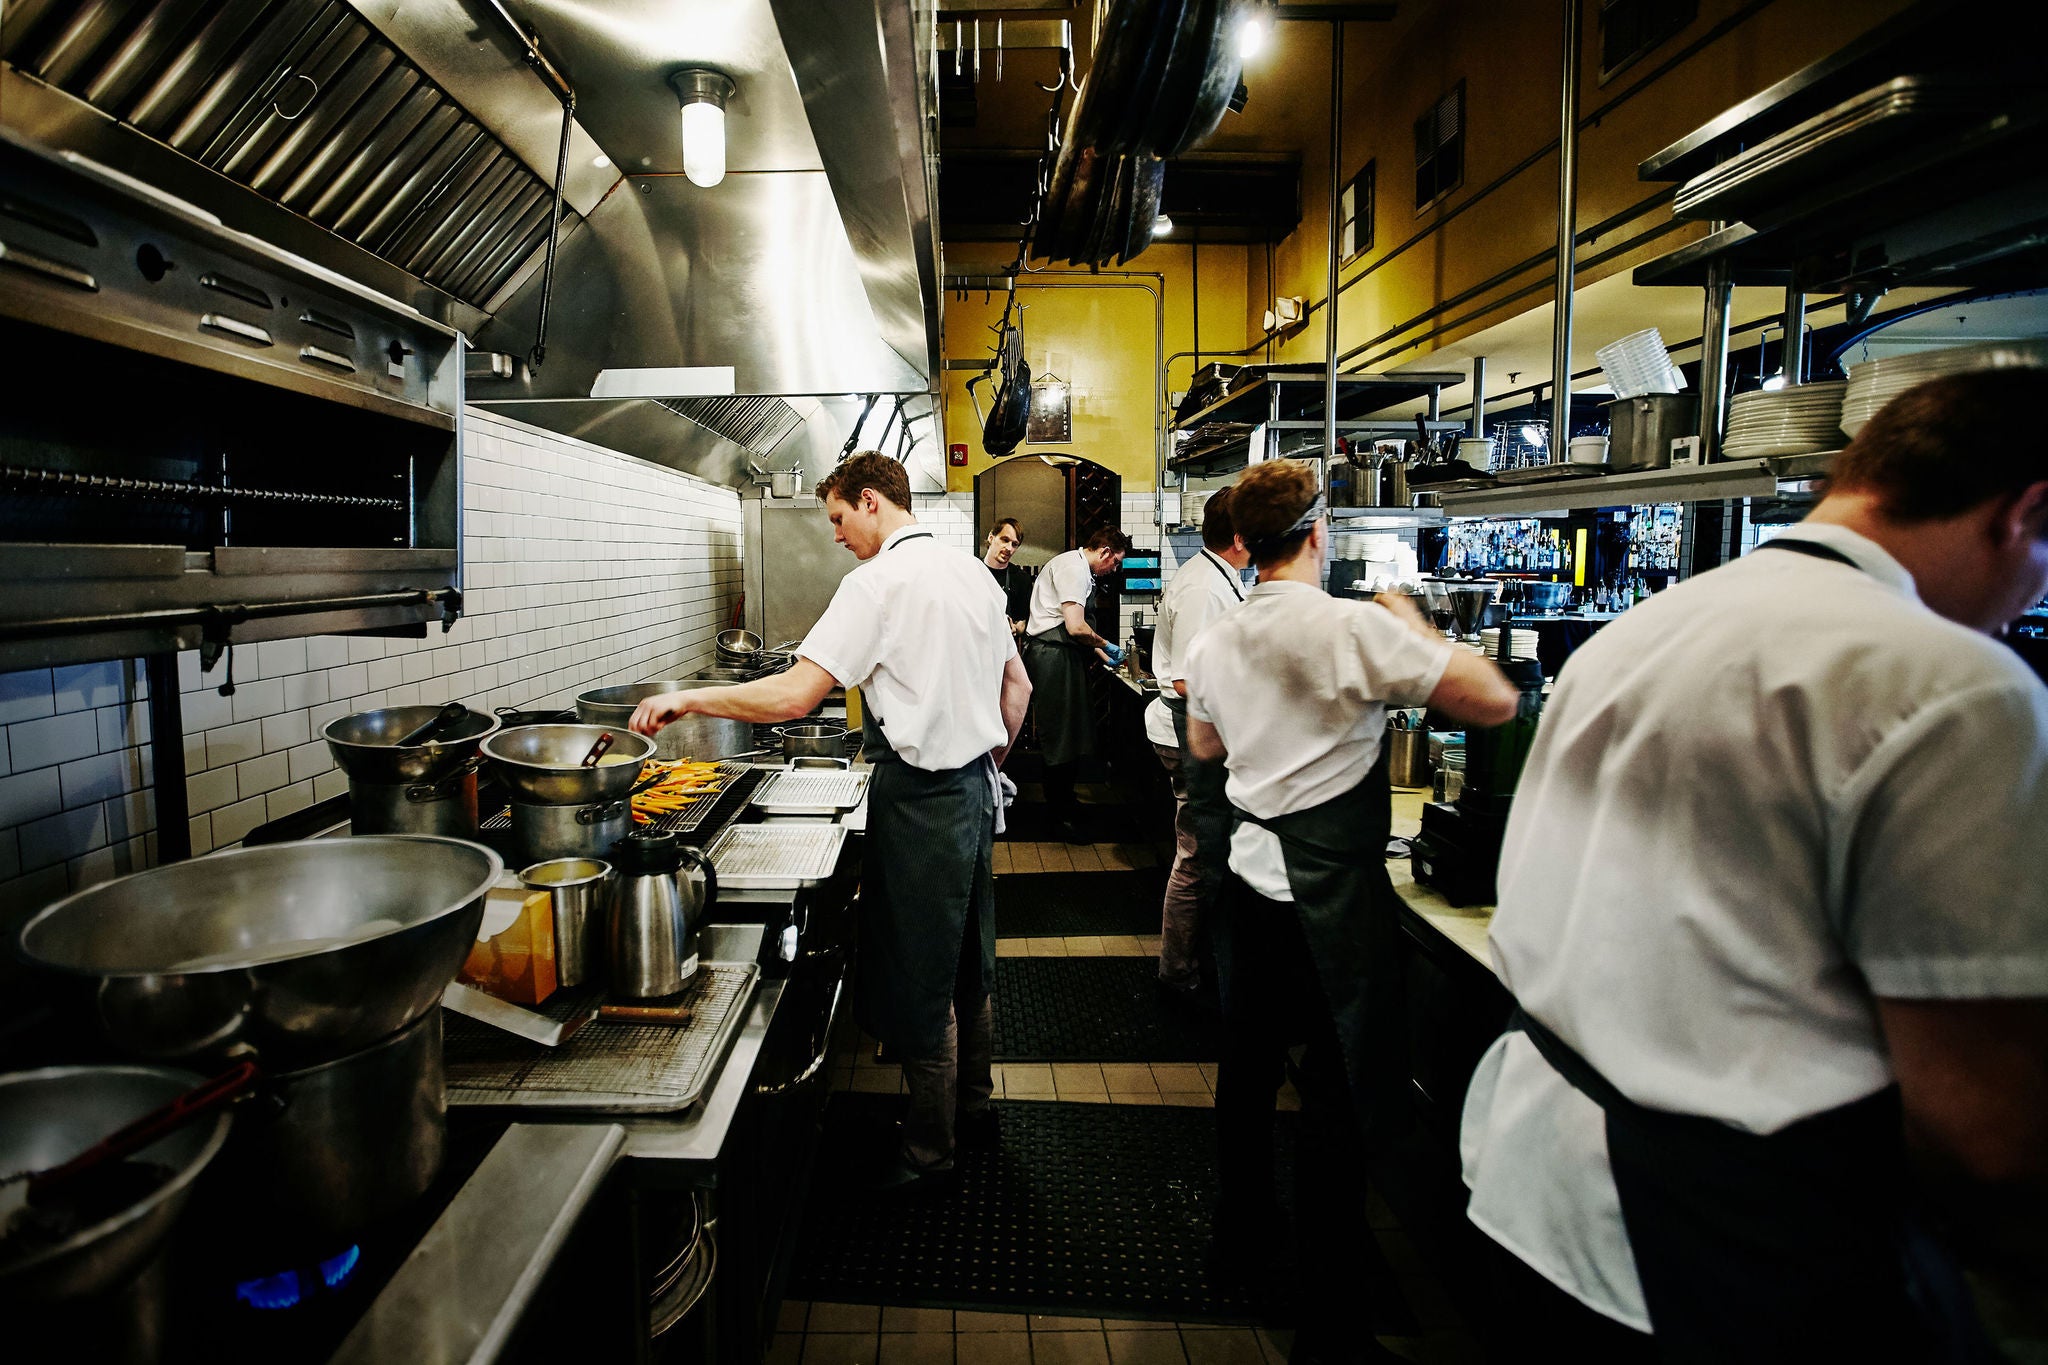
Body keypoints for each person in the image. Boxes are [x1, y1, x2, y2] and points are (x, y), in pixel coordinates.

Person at [1459, 367, 2048, 1361]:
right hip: (1722, 1236)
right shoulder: (1952, 685)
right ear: (2025, 512)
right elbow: (1981, 1127)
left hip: (1529, 1180)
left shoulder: (1639, 627)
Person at [1182, 460, 1518, 1365]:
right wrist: (1410, 620)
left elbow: (1204, 744)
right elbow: (1493, 699)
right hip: (1335, 899)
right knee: (1338, 1104)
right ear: (1320, 533)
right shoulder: (1360, 628)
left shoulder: (1215, 643)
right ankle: (1326, 1328)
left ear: (1246, 543)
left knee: (1247, 1075)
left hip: (1251, 886)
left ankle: (1239, 1240)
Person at [630, 453, 1033, 1191]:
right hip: (974, 793)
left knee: (922, 976)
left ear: (872, 502)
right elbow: (1019, 685)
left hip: (920, 801)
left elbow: (791, 697)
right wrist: (987, 759)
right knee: (967, 962)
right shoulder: (973, 573)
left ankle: (929, 1148)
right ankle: (974, 1108)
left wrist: (689, 698)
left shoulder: (875, 585)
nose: (839, 537)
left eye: (841, 520)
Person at [1142, 486, 1250, 998]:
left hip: (1194, 730)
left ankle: (1198, 962)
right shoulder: (1206, 588)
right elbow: (1187, 679)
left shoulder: (1215, 577)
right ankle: (1179, 971)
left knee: (1201, 853)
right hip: (1190, 733)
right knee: (1196, 856)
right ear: (1239, 537)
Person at [1020, 525, 1133, 841]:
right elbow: (1075, 626)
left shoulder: (1077, 566)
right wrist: (1106, 644)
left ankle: (1066, 804)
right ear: (1105, 551)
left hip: (1064, 656)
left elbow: (1078, 629)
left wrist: (1101, 652)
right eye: (1115, 562)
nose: (1114, 569)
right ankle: (1058, 817)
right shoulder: (1074, 568)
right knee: (1060, 737)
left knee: (1069, 736)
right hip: (1053, 656)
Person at [983, 516, 1031, 633]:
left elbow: (1021, 622)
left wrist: (1014, 628)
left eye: (1014, 544)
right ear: (991, 537)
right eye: (1005, 540)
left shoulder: (1021, 579)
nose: (1009, 548)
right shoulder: (972, 570)